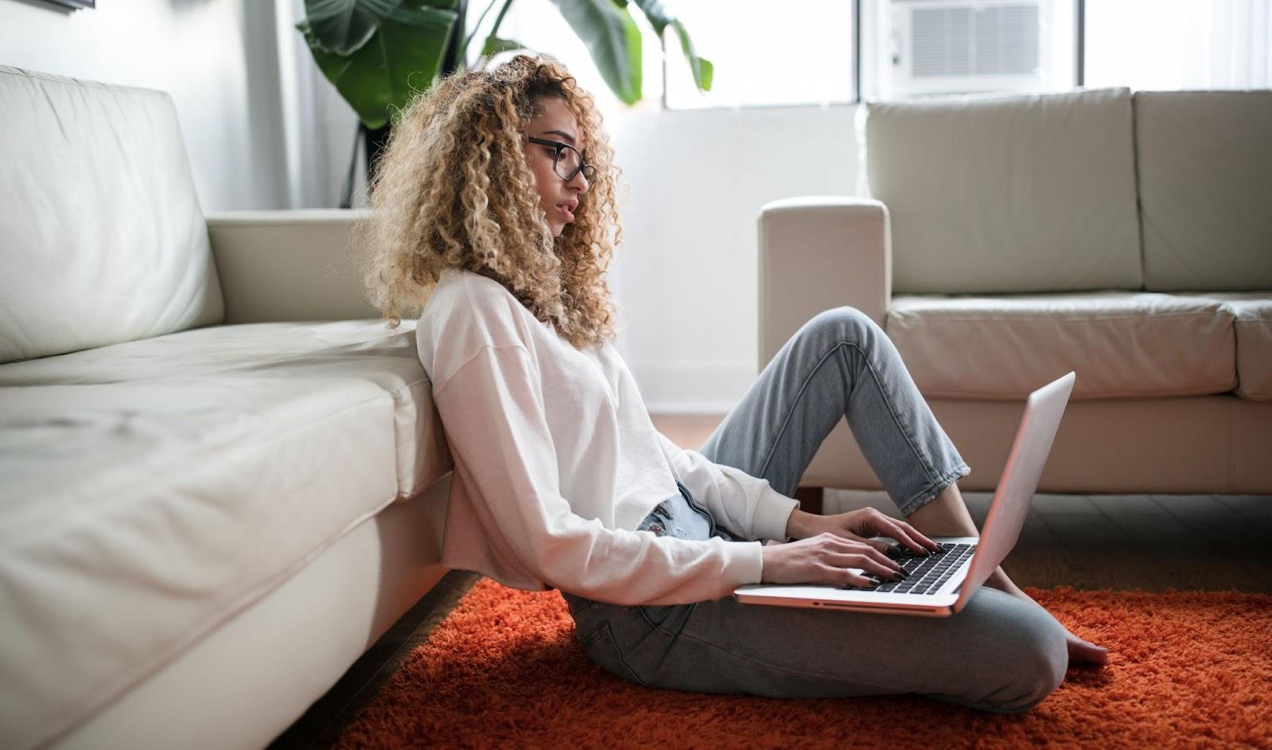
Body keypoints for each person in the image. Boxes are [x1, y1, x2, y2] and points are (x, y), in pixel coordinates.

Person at [354, 53, 1107, 714]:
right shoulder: (473, 313)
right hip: (648, 612)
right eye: (558, 152)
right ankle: (981, 602)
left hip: (693, 530)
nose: (579, 180)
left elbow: (656, 455)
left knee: (843, 335)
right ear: (486, 157)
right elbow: (550, 544)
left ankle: (973, 569)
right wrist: (763, 561)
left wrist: (793, 526)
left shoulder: (541, 294)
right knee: (1031, 654)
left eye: (583, 159)